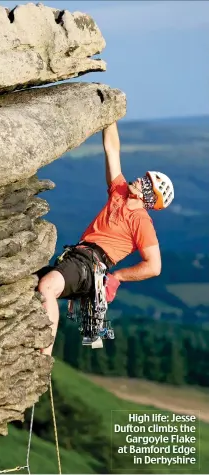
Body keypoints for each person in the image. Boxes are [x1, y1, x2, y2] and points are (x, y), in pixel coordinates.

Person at [38, 121, 174, 356]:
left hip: (89, 265)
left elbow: (154, 266)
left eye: (146, 182)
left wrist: (117, 277)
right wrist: (110, 119)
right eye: (144, 178)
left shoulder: (141, 221)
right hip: (79, 259)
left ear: (149, 195)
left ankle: (44, 355)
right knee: (30, 284)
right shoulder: (119, 192)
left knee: (47, 286)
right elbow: (112, 150)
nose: (140, 179)